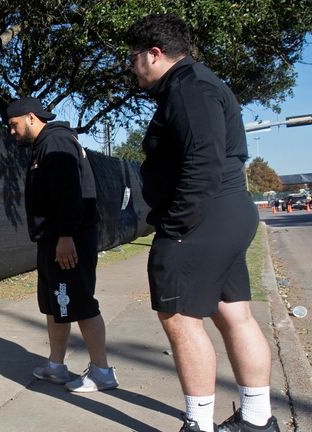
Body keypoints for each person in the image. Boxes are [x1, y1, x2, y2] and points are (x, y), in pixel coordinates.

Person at [126, 14, 278, 432]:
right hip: (224, 213)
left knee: (181, 318)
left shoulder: (189, 88)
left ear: (154, 55)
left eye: (133, 58)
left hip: (203, 219)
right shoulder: (196, 84)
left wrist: (176, 227)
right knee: (234, 314)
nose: (131, 67)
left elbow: (203, 161)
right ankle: (257, 419)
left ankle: (198, 424)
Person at [6, 97, 118, 393]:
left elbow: (70, 194)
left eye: (13, 125)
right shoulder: (45, 145)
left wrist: (66, 236)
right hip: (53, 240)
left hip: (68, 240)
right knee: (56, 304)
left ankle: (102, 371)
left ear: (30, 117)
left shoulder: (55, 143)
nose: (12, 132)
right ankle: (56, 366)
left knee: (79, 303)